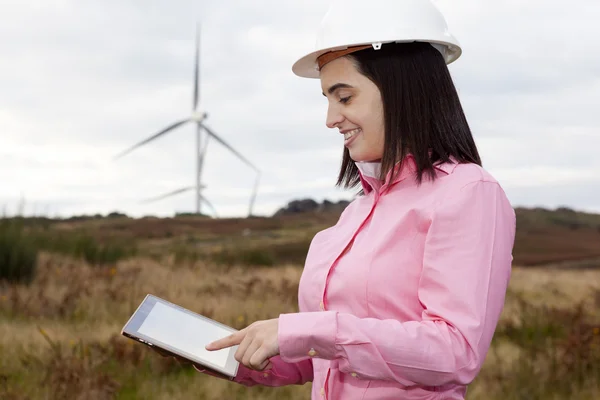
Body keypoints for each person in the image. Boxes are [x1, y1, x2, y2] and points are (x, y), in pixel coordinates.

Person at [199, 0, 517, 399]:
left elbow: (455, 352)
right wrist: (236, 358)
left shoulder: (469, 194)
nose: (330, 119)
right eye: (327, 100)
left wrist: (306, 330)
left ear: (402, 89)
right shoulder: (353, 216)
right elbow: (324, 356)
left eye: (344, 97)